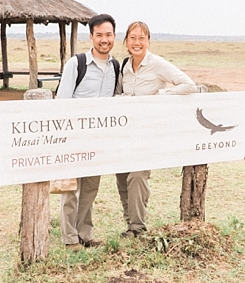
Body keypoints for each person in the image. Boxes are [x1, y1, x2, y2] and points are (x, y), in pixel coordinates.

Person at [115, 21, 196, 237]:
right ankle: (130, 224)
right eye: (132, 38)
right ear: (126, 42)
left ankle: (138, 227)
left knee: (137, 177)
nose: (137, 42)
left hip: (148, 134)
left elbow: (189, 85)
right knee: (122, 177)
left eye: (142, 38)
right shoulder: (124, 65)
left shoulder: (157, 64)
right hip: (126, 133)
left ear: (148, 41)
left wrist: (160, 95)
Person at [55, 13, 121, 250]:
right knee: (70, 189)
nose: (104, 39)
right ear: (91, 36)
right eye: (99, 35)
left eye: (109, 34)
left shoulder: (115, 66)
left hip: (99, 140)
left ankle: (85, 233)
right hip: (74, 137)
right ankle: (70, 238)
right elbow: (62, 101)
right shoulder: (77, 64)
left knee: (91, 188)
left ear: (114, 36)